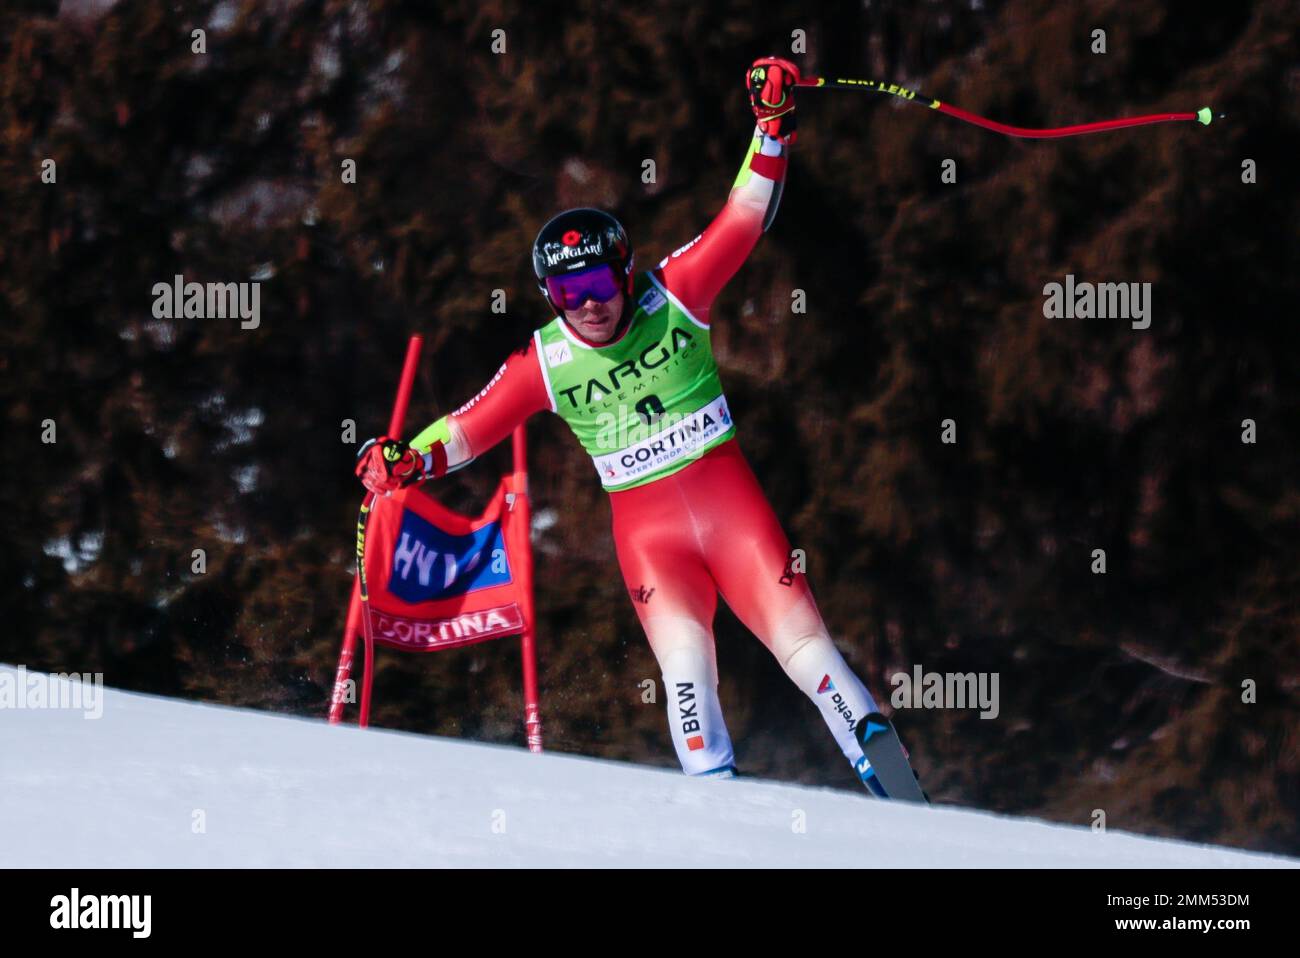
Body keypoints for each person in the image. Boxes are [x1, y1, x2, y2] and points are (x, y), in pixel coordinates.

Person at [357, 57, 894, 795]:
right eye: (567, 292)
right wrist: (408, 460)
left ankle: (901, 798)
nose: (589, 305)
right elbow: (467, 429)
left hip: (732, 512)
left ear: (626, 270)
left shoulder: (675, 293)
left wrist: (771, 128)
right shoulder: (543, 360)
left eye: (600, 282)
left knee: (809, 653)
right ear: (549, 296)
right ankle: (719, 827)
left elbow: (743, 215)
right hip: (649, 541)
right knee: (686, 675)